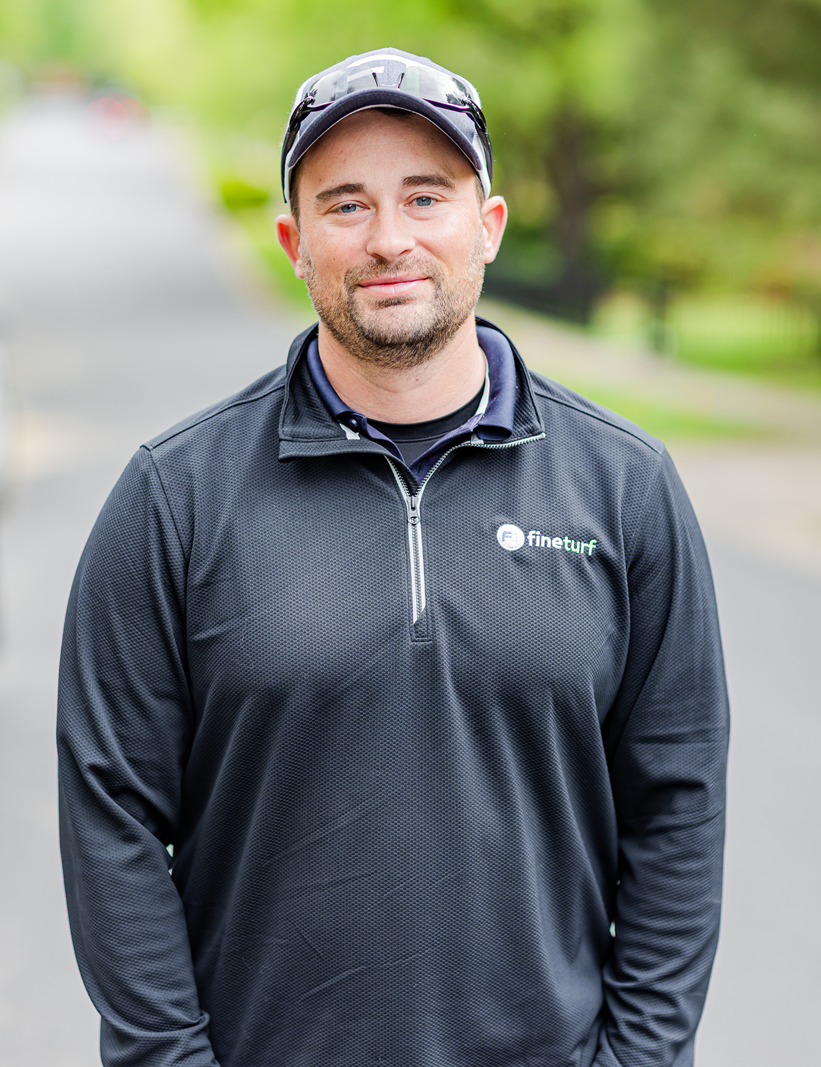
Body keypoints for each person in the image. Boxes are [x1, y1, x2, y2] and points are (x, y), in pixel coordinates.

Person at [57, 47, 729, 1067]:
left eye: (425, 195)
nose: (389, 239)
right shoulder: (172, 498)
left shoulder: (624, 487)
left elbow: (678, 801)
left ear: (487, 225)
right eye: (345, 205)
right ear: (292, 239)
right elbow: (110, 816)